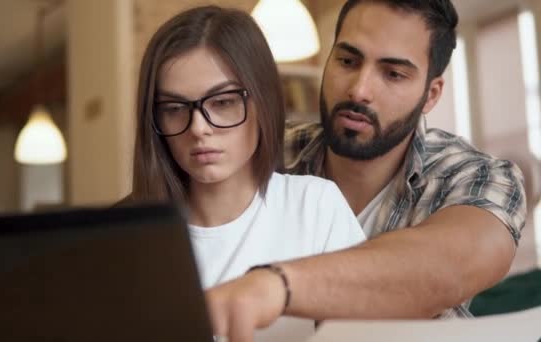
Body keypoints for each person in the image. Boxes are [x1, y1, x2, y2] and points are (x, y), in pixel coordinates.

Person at [205, 0, 527, 341]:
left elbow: (445, 270)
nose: (359, 90)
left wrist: (274, 286)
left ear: (431, 94)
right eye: (347, 61)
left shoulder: (476, 176)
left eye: (393, 74)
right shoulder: (264, 152)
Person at [123, 5, 365, 341]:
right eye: (175, 109)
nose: (198, 128)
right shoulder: (125, 238)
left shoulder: (315, 207)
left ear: (263, 101)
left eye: (222, 102)